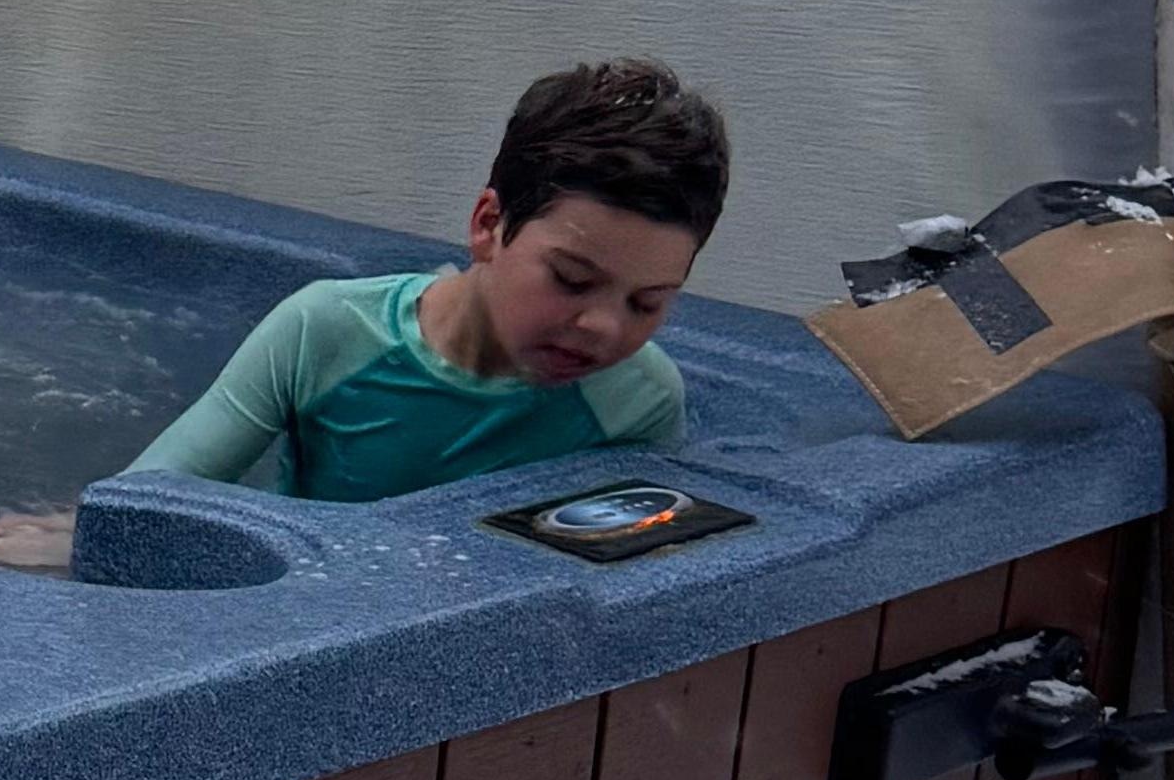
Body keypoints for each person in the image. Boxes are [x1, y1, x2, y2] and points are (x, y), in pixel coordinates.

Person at [132, 58, 729, 503]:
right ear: (489, 225)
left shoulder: (639, 402)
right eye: (572, 280)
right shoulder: (329, 331)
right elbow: (150, 498)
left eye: (647, 302)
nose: (606, 326)